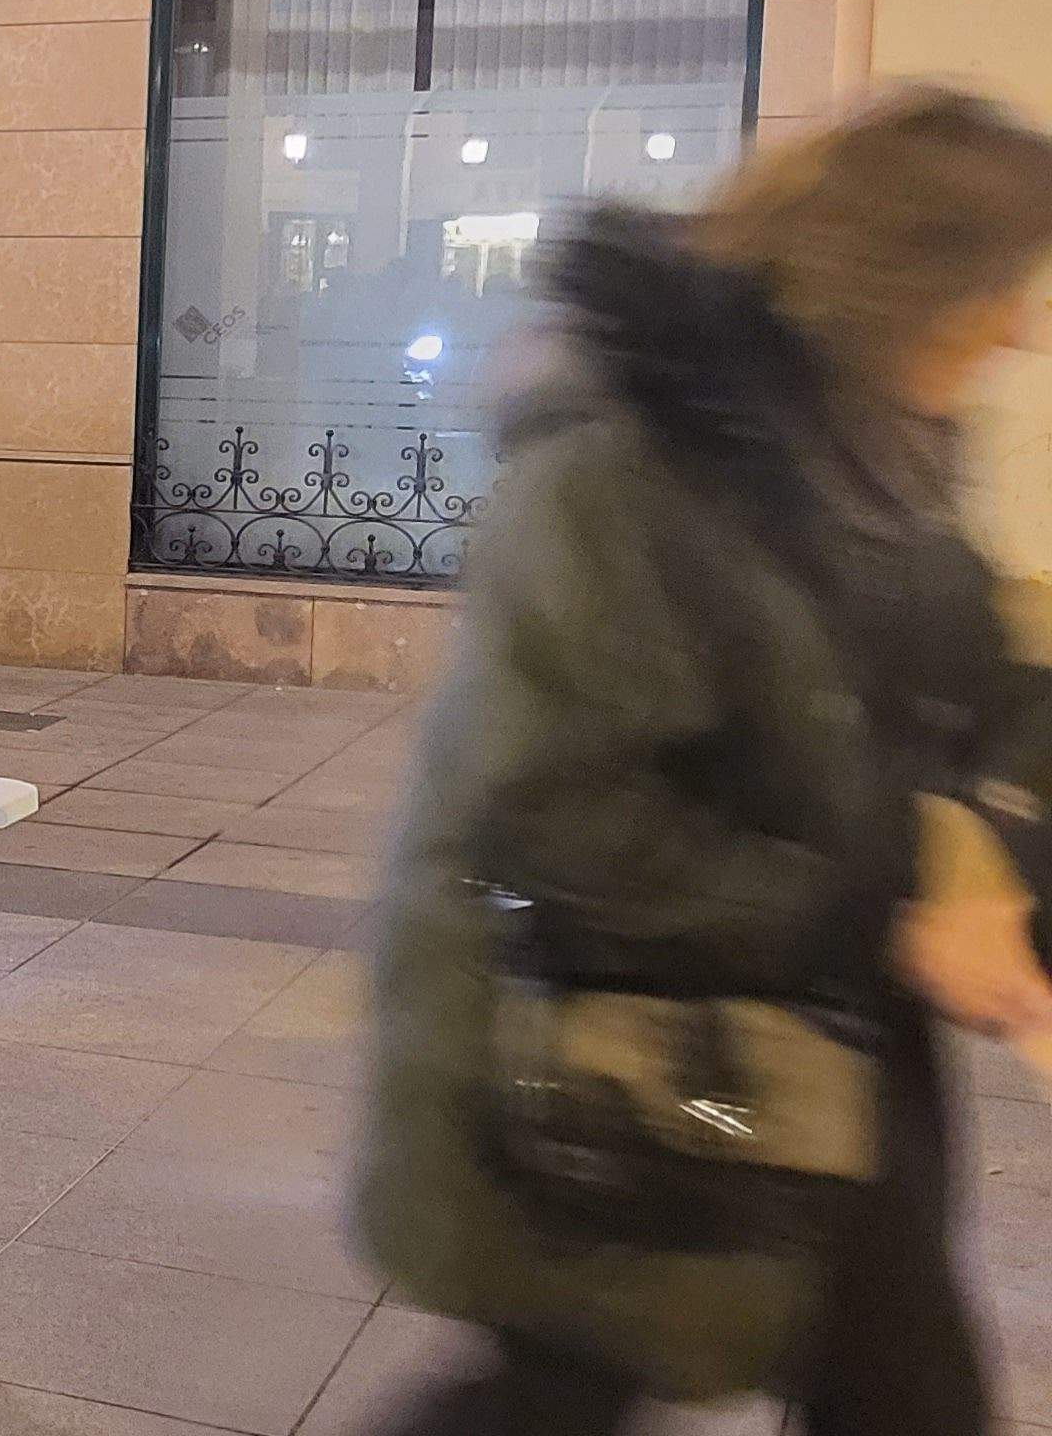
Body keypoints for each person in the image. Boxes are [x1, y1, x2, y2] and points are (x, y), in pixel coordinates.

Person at [358, 86, 1052, 1434]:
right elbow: (552, 810)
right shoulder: (619, 482)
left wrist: (992, 835)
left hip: (812, 1037)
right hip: (622, 1054)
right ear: (904, 283)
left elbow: (962, 685)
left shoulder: (877, 457)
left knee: (886, 1386)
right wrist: (891, 902)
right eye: (999, 289)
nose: (1021, 327)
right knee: (559, 1386)